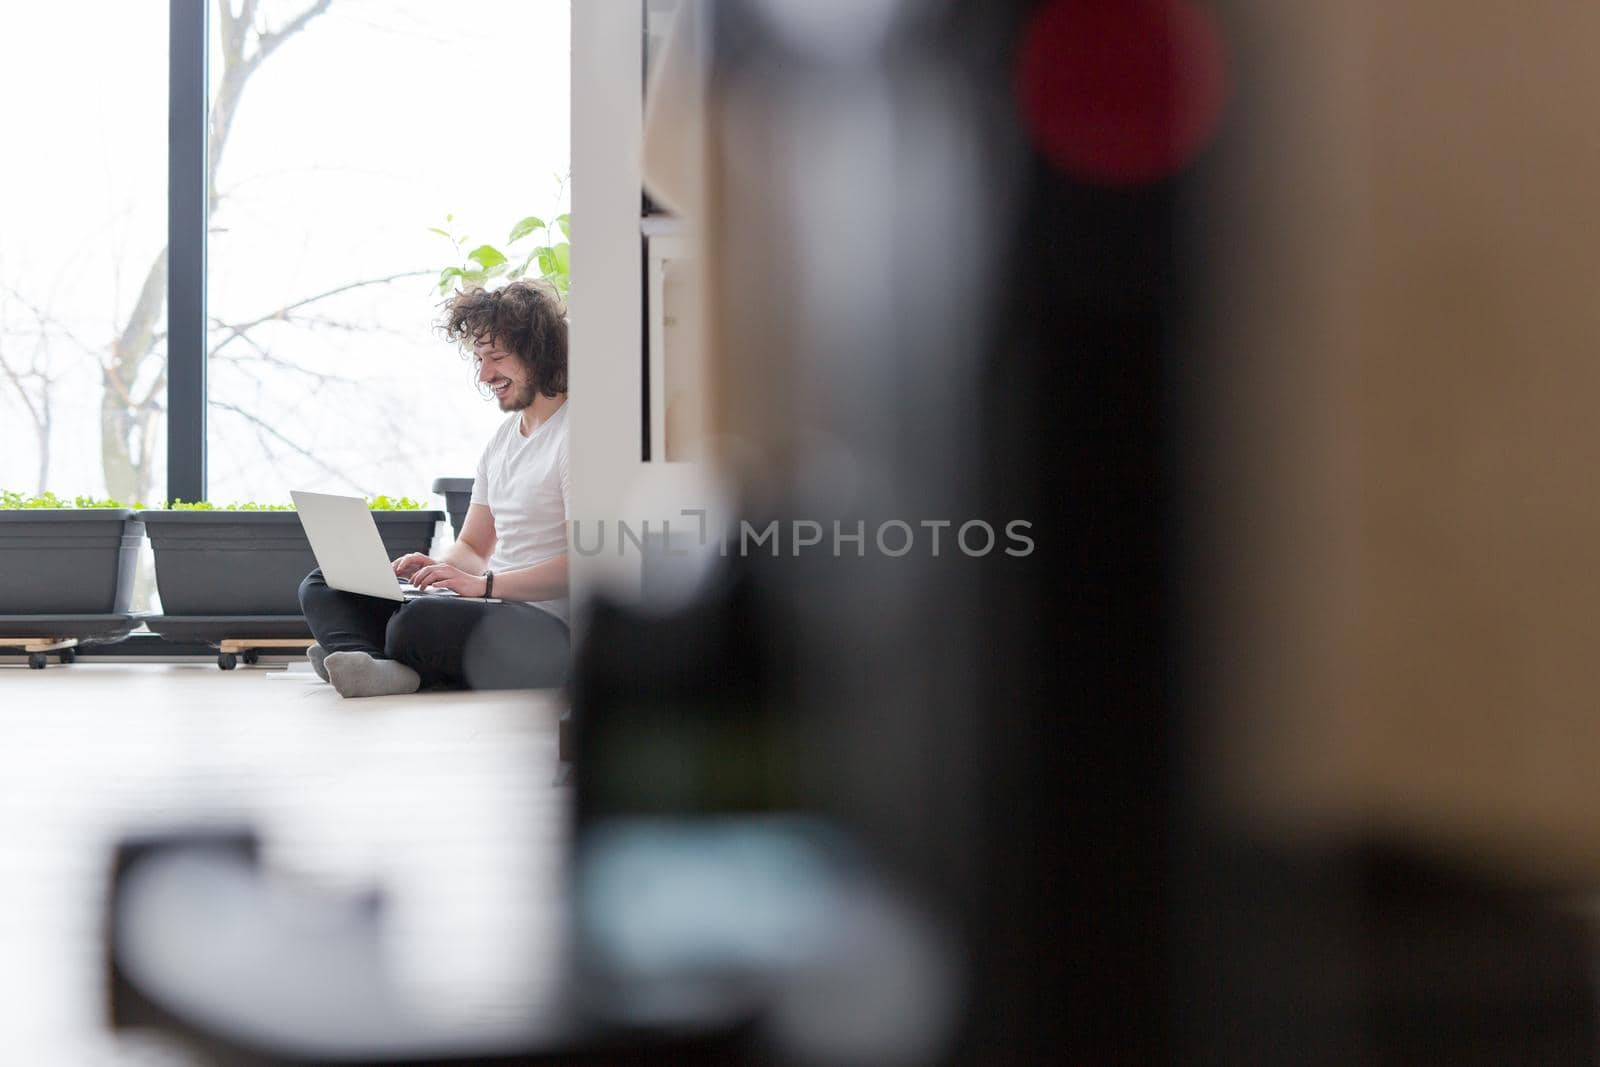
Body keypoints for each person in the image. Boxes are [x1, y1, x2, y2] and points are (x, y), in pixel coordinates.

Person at [297, 280, 571, 697]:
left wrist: (484, 586)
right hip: (492, 605)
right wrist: (437, 571)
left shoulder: (580, 434)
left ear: (539, 353)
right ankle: (365, 660)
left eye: (496, 357)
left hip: (550, 627)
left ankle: (365, 653)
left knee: (417, 624)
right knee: (325, 583)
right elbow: (475, 548)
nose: (484, 375)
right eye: (479, 359)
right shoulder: (502, 441)